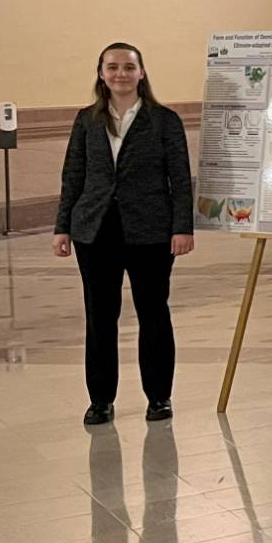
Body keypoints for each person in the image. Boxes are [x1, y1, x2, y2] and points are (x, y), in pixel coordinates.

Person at [54, 42, 194, 426]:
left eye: (128, 67)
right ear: (101, 73)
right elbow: (73, 176)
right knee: (100, 317)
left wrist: (182, 227)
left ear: (141, 73)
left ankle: (159, 397)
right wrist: (62, 226)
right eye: (112, 67)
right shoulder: (87, 120)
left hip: (150, 231)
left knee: (153, 313)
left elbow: (180, 179)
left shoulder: (164, 120)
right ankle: (101, 400)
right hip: (95, 230)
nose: (121, 74)